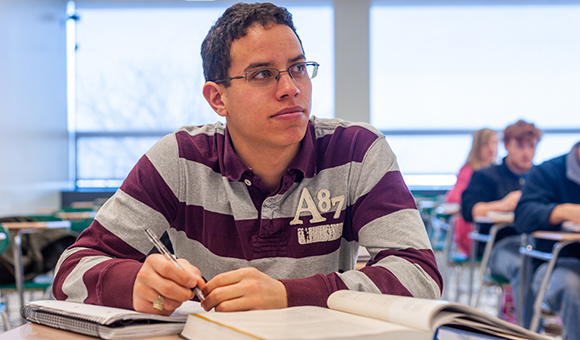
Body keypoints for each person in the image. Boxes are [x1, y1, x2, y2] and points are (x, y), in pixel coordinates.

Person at [53, 3, 442, 315]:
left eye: (298, 68)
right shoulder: (179, 159)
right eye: (262, 75)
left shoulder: (357, 151)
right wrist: (135, 282)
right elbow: (70, 269)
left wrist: (287, 295)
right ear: (217, 99)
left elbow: (420, 275)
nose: (291, 89)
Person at [461, 119, 541, 321]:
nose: (526, 152)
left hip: (540, 246)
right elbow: (470, 210)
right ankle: (528, 331)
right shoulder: (486, 176)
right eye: (520, 145)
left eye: (531, 146)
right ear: (507, 145)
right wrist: (502, 204)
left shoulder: (541, 177)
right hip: (500, 248)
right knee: (524, 265)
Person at [514, 141, 580, 336]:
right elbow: (523, 216)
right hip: (554, 263)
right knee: (573, 288)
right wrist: (562, 211)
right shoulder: (548, 172)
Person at [445, 128, 498, 255]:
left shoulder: (499, 172)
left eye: (495, 143)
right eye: (486, 143)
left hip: (493, 227)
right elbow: (454, 198)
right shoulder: (469, 171)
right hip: (472, 230)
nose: (491, 148)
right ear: (477, 146)